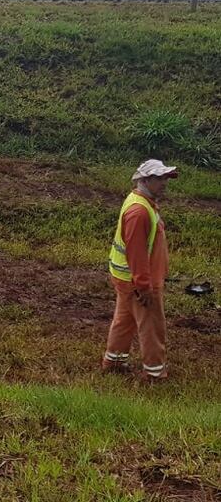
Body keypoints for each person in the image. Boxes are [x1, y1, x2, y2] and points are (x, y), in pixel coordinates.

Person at [103, 159, 177, 382]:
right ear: (145, 180)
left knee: (124, 320)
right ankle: (155, 374)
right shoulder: (140, 212)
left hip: (126, 279)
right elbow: (136, 254)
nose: (165, 183)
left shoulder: (141, 201)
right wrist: (144, 287)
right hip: (139, 282)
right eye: (160, 178)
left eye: (166, 178)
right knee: (152, 327)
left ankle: (114, 362)